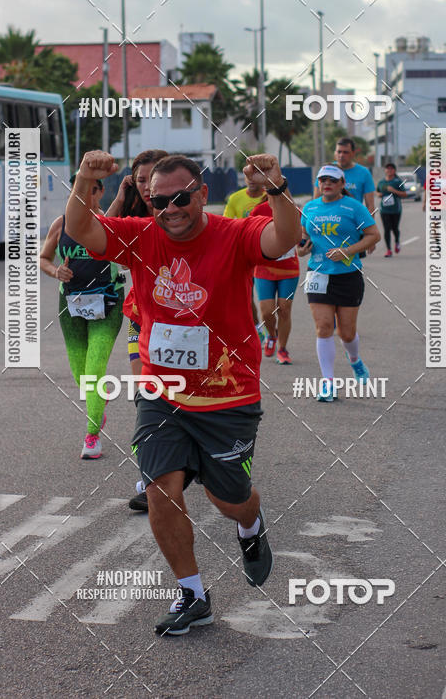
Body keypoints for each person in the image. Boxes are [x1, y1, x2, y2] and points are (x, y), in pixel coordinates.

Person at [65, 150, 301, 635]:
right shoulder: (141, 235)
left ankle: (250, 525)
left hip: (228, 398)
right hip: (163, 393)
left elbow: (284, 237)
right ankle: (192, 594)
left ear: (202, 193)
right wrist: (84, 179)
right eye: (159, 201)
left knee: (228, 499)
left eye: (180, 198)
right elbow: (81, 231)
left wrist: (275, 187)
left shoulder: (234, 234)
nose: (170, 209)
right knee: (160, 491)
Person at [39, 176, 124, 458]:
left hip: (108, 304)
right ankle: (98, 403)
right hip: (71, 305)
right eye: (78, 190)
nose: (83, 196)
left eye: (90, 191)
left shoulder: (109, 222)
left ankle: (92, 434)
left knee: (95, 368)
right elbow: (43, 258)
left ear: (100, 193)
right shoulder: (61, 224)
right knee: (81, 374)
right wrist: (56, 271)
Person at [106, 149, 169, 512]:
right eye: (140, 180)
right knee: (146, 395)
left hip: (182, 319)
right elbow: (99, 235)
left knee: (183, 397)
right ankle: (150, 479)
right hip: (140, 315)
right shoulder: (132, 218)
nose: (147, 187)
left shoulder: (181, 215)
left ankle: (195, 458)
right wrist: (119, 196)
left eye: (152, 179)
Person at [299, 164, 380, 402]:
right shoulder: (310, 208)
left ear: (342, 184)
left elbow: (374, 235)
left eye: (333, 180)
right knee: (324, 327)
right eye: (323, 180)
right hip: (318, 274)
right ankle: (328, 383)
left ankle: (355, 360)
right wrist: (301, 249)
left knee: (346, 333)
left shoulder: (353, 207)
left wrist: (348, 251)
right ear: (318, 183)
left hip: (348, 276)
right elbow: (303, 238)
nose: (327, 184)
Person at [250, 198, 301, 364]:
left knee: (284, 308)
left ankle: (282, 349)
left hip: (289, 269)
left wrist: (304, 245)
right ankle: (272, 335)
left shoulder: (293, 210)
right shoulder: (259, 210)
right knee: (267, 312)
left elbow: (305, 234)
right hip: (264, 268)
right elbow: (249, 235)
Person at [223, 176, 269, 345]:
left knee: (271, 305)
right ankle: (257, 328)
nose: (251, 181)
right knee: (247, 298)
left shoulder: (269, 196)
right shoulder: (236, 198)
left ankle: (272, 330)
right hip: (245, 253)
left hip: (266, 252)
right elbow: (227, 223)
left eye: (255, 178)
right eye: (248, 178)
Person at [313, 137, 376, 213]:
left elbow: (370, 206)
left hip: (353, 217)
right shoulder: (326, 170)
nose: (341, 155)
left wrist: (368, 220)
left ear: (353, 153)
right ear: (335, 153)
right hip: (328, 217)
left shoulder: (364, 173)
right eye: (339, 152)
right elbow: (316, 201)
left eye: (345, 152)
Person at [376, 162, 407, 257]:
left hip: (395, 210)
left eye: (391, 169)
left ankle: (397, 242)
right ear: (385, 170)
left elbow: (404, 194)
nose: (389, 170)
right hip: (384, 210)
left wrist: (394, 191)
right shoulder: (381, 182)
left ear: (394, 170)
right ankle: (388, 250)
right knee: (386, 229)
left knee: (394, 228)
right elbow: (377, 192)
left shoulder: (397, 182)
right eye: (387, 168)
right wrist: (379, 194)